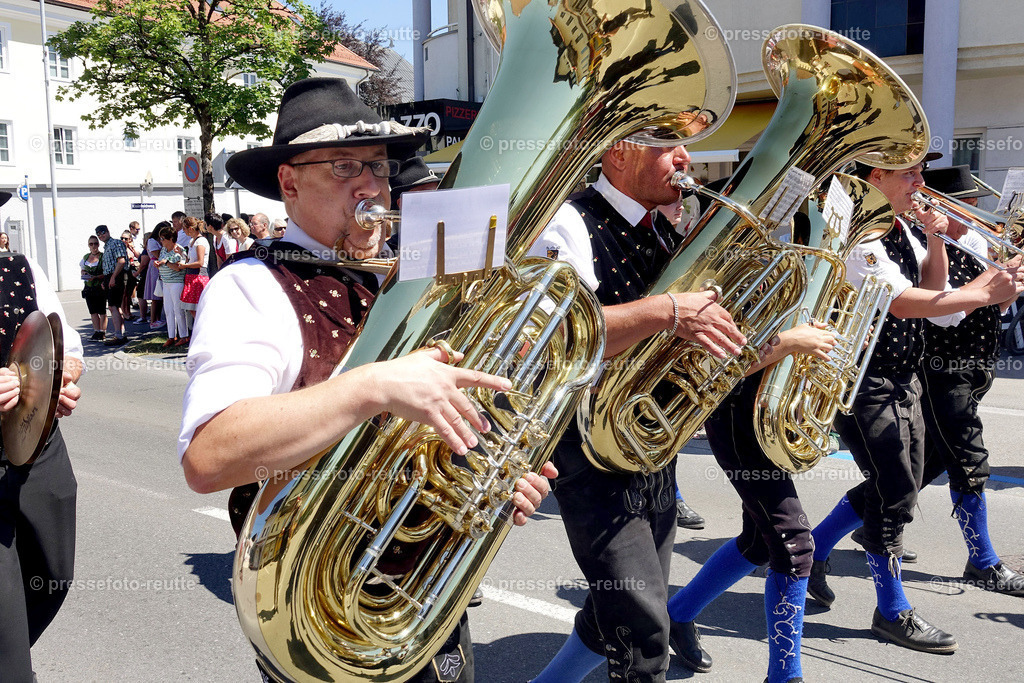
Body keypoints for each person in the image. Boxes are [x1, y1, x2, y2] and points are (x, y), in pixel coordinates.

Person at [183, 76, 554, 683]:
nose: (371, 187)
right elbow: (209, 457)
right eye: (345, 167)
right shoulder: (248, 287)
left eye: (380, 169)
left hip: (430, 604)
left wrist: (493, 472)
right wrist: (370, 387)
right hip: (320, 621)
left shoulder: (417, 277)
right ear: (289, 181)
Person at [525, 138, 747, 683]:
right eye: (669, 146)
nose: (686, 159)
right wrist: (668, 310)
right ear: (619, 153)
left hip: (650, 447)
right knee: (646, 634)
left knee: (616, 616)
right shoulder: (569, 222)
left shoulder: (666, 231)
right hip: (587, 451)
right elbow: (561, 339)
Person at [807, 158, 1024, 654]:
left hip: (903, 379)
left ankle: (815, 552)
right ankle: (891, 609)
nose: (920, 184)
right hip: (864, 382)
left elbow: (932, 293)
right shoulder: (860, 232)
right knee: (895, 492)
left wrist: (935, 243)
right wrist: (981, 290)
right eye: (908, 173)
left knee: (906, 482)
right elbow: (902, 301)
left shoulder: (902, 228)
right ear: (874, 179)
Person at [666, 322, 837, 683]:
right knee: (794, 545)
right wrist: (789, 341)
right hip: (736, 416)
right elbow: (717, 367)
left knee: (760, 541)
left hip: (768, 413)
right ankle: (784, 676)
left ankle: (678, 613)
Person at [913, 165, 1024, 595]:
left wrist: (1010, 274)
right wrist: (992, 275)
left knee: (915, 471)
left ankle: (851, 533)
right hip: (942, 370)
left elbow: (997, 308)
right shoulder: (927, 245)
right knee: (971, 463)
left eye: (976, 203)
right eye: (969, 205)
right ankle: (983, 561)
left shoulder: (976, 242)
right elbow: (944, 311)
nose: (977, 213)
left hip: (974, 368)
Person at [0, 250, 83, 681]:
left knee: (54, 575)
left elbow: (62, 339)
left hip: (37, 446)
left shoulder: (20, 267)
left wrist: (63, 375)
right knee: (5, 629)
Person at [95, 224, 129, 346]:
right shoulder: (107, 246)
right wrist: (106, 280)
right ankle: (121, 334)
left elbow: (121, 261)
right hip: (111, 276)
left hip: (118, 276)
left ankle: (118, 335)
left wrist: (113, 278)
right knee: (115, 306)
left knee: (113, 306)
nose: (101, 235)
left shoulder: (116, 243)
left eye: (103, 232)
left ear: (108, 231)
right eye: (98, 234)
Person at [156, 226, 188, 348]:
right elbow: (162, 263)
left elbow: (179, 267)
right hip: (166, 282)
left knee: (178, 310)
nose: (161, 241)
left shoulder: (179, 250)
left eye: (163, 238)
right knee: (168, 310)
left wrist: (166, 263)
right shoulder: (164, 250)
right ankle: (171, 335)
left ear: (171, 239)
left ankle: (184, 335)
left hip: (176, 282)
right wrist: (159, 264)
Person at [80, 235, 107, 339]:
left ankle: (102, 332)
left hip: (99, 287)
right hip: (88, 287)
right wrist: (84, 273)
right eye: (91, 244)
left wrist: (95, 277)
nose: (94, 246)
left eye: (95, 243)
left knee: (102, 311)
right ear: (88, 245)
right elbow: (82, 269)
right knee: (93, 311)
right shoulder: (86, 257)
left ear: (98, 244)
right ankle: (96, 331)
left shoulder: (102, 257)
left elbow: (106, 272)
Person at [144, 222, 168, 329]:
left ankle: (158, 318)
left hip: (160, 266)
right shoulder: (152, 241)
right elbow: (158, 254)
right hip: (155, 266)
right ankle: (153, 320)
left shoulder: (159, 240)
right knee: (155, 295)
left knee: (160, 295)